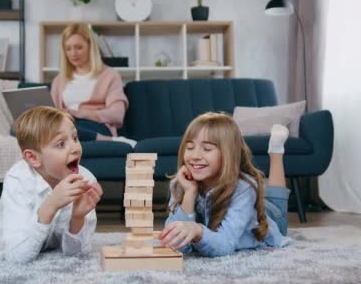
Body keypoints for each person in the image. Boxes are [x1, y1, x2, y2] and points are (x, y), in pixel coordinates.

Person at [0, 106, 103, 263]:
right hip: (7, 225)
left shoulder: (85, 179)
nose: (75, 148)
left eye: (75, 137)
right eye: (61, 144)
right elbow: (17, 256)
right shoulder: (17, 180)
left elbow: (76, 254)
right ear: (33, 158)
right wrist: (51, 205)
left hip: (39, 234)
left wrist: (78, 218)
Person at [158, 112, 292, 257]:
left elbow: (224, 246)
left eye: (207, 149)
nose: (195, 156)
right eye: (190, 147)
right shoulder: (181, 184)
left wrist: (197, 230)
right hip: (244, 206)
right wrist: (190, 193)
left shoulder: (244, 189)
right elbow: (176, 244)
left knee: (276, 205)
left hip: (263, 216)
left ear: (227, 153)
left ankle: (276, 151)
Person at [50, 23, 136, 147]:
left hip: (95, 125)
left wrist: (81, 113)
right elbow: (52, 114)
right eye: (68, 48)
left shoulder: (110, 75)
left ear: (90, 47)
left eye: (78, 47)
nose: (73, 53)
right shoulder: (59, 80)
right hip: (66, 125)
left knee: (67, 131)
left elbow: (117, 114)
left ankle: (107, 139)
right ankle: (106, 140)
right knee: (22, 129)